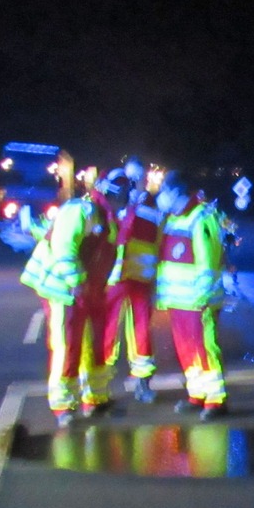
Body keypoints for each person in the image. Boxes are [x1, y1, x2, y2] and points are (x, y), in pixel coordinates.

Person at [19, 169, 129, 426]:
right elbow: (64, 249)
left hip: (88, 289)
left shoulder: (107, 218)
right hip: (62, 289)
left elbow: (107, 256)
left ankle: (96, 397)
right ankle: (63, 405)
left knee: (95, 342)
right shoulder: (80, 211)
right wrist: (77, 283)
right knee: (68, 344)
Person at [155, 170, 229, 421]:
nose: (161, 195)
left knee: (205, 348)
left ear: (176, 192)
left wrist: (204, 297)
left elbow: (207, 263)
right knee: (186, 350)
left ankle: (215, 400)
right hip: (179, 301)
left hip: (199, 301)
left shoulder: (201, 218)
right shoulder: (174, 219)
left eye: (164, 190)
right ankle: (197, 394)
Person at [103, 156, 162, 403]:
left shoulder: (151, 206)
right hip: (116, 279)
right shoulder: (114, 202)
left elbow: (159, 242)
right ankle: (99, 387)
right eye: (131, 179)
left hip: (140, 280)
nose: (134, 183)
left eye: (137, 178)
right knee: (106, 333)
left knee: (141, 333)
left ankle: (142, 383)